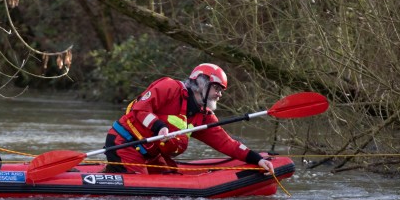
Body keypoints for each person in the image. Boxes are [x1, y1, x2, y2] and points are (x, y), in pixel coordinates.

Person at [104, 63, 276, 175]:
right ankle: (112, 171)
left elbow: (227, 143)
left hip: (151, 153)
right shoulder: (169, 88)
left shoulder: (204, 116)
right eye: (217, 88)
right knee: (142, 190)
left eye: (221, 90)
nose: (220, 94)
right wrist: (159, 127)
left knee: (171, 177)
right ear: (201, 83)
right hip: (124, 143)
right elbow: (140, 109)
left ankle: (111, 170)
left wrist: (257, 159)